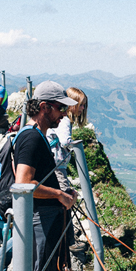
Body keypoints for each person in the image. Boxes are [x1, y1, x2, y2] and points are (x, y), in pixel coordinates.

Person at [14, 81, 78, 271]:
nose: (64, 114)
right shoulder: (31, 139)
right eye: (60, 108)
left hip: (48, 216)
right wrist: (59, 195)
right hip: (45, 218)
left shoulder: (35, 135)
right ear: (43, 107)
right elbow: (23, 183)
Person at [47, 87, 90, 258]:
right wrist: (75, 145)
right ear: (71, 105)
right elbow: (65, 141)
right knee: (66, 200)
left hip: (56, 165)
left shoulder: (61, 120)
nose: (82, 109)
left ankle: (66, 237)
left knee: (64, 199)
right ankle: (70, 241)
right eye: (80, 105)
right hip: (58, 166)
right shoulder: (65, 121)